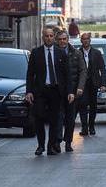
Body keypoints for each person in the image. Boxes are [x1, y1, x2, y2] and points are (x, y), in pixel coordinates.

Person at [25, 28, 74, 156]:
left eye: (51, 36)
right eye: (46, 36)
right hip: (40, 91)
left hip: (56, 91)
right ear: (43, 37)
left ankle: (51, 145)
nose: (49, 38)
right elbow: (30, 74)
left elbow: (67, 74)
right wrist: (29, 91)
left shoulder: (61, 53)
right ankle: (40, 145)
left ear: (54, 38)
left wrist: (70, 92)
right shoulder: (36, 53)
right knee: (39, 117)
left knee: (55, 119)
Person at [55, 31, 86, 152]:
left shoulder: (76, 53)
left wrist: (80, 87)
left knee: (70, 118)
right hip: (57, 92)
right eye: (60, 39)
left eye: (64, 39)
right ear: (57, 40)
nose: (62, 41)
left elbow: (83, 71)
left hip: (72, 92)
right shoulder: (54, 53)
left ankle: (68, 142)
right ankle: (57, 141)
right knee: (58, 118)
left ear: (68, 39)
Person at [78, 33, 106, 136]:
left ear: (90, 41)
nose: (85, 41)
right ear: (81, 41)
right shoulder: (77, 53)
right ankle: (84, 128)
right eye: (83, 39)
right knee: (82, 105)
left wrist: (103, 84)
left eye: (87, 39)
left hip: (94, 83)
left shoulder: (96, 53)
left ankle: (91, 126)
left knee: (93, 106)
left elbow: (102, 69)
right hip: (82, 84)